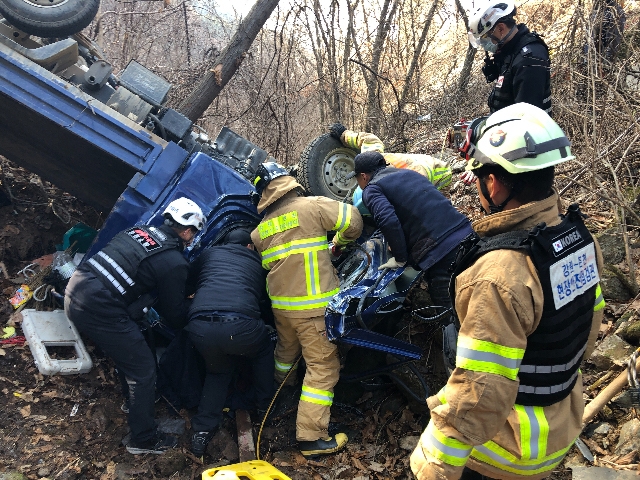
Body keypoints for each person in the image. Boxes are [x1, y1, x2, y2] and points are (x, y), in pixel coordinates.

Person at [410, 103, 606, 480]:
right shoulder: (579, 239)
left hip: (504, 452)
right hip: (560, 427)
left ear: (494, 183)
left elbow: (478, 391)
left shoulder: (498, 275)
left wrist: (430, 466)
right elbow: (588, 328)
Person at [64, 197, 205, 455]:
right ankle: (143, 439)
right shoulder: (174, 261)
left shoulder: (138, 231)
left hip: (76, 288)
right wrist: (196, 308)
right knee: (142, 369)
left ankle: (134, 402)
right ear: (186, 230)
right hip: (100, 307)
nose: (192, 238)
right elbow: (174, 315)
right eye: (193, 232)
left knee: (133, 342)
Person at [250, 162, 363, 458]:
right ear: (288, 181)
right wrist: (339, 244)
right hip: (314, 311)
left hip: (283, 310)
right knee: (323, 369)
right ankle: (311, 437)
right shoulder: (311, 207)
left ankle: (279, 395)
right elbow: (354, 221)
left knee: (286, 356)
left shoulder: (259, 233)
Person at [347, 149, 473, 371]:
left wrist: (400, 257)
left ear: (364, 176)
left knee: (450, 319)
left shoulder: (372, 189)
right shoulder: (410, 174)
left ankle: (462, 377)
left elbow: (388, 220)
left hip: (442, 252)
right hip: (467, 236)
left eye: (358, 179)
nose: (359, 183)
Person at [185, 228, 275, 457]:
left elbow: (190, 283)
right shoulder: (258, 261)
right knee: (263, 350)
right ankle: (266, 405)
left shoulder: (209, 254)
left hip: (200, 326)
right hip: (241, 325)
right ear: (249, 246)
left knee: (217, 373)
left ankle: (202, 430)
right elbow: (265, 302)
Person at [468, 0, 551, 115]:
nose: (485, 44)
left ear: (501, 29)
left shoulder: (529, 59)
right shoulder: (509, 54)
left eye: (486, 37)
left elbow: (526, 118)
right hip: (507, 130)